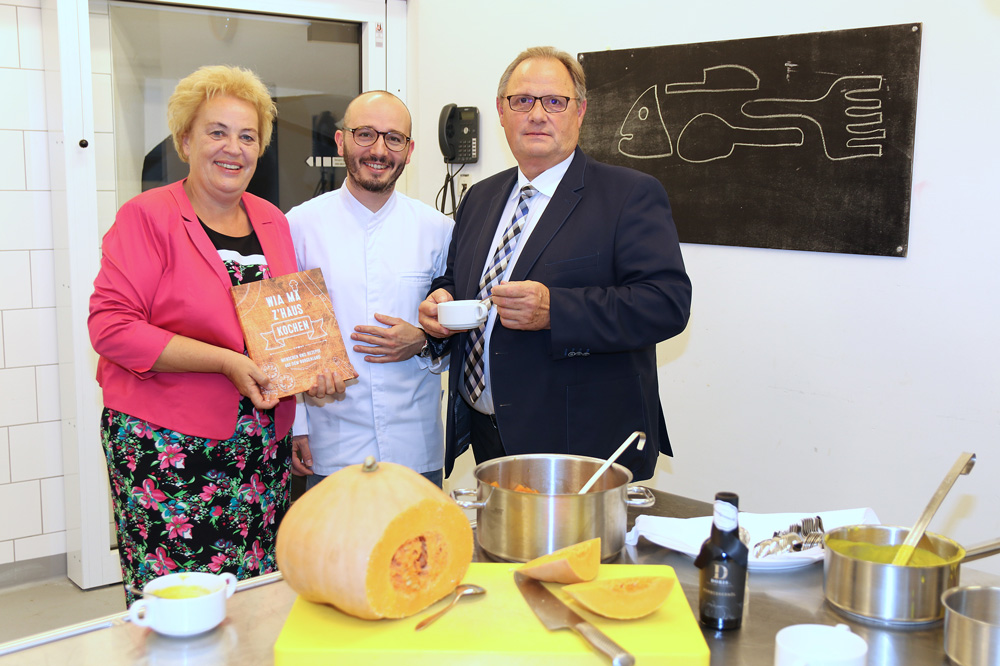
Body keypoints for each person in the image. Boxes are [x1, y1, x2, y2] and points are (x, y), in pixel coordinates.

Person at [89, 65, 343, 606]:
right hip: (167, 450)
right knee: (181, 601)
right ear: (186, 140)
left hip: (258, 449)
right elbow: (111, 327)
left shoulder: (273, 220)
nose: (234, 148)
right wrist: (225, 361)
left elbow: (282, 327)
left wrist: (308, 377)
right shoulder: (146, 218)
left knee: (253, 591)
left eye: (247, 136)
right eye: (217, 132)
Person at [419, 46, 692, 481]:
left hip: (581, 444)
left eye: (555, 101)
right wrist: (442, 299)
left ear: (579, 111)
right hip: (488, 434)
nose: (537, 114)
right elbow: (460, 279)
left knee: (581, 554)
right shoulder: (481, 197)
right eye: (522, 100)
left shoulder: (629, 195)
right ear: (501, 112)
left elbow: (666, 304)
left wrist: (555, 311)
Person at [286, 91, 453, 488]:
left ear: (409, 151)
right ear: (341, 140)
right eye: (365, 134)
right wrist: (296, 426)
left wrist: (425, 339)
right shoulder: (298, 226)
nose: (379, 149)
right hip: (331, 445)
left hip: (415, 446)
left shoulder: (438, 230)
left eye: (394, 138)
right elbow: (284, 339)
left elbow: (460, 333)